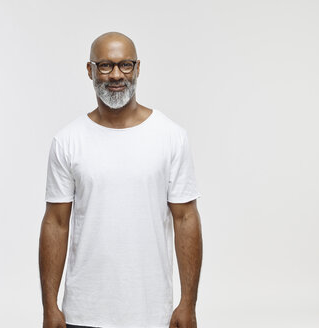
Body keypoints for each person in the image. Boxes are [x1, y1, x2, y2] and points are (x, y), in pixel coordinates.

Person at [39, 31, 203, 328]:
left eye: (125, 65)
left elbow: (186, 219)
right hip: (83, 313)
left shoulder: (171, 136)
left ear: (137, 68)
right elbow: (56, 223)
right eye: (105, 65)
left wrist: (188, 304)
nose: (116, 74)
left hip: (152, 313)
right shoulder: (67, 141)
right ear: (90, 70)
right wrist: (49, 306)